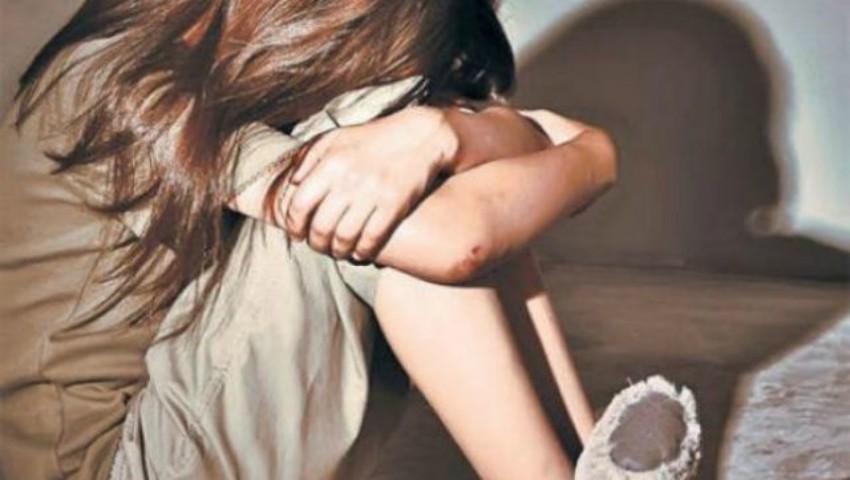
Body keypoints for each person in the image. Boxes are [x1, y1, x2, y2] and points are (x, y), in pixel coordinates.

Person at [0, 1, 617, 479]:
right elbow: (455, 239)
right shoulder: (119, 79)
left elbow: (484, 188)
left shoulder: (212, 67)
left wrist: (447, 132)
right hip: (110, 466)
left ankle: (593, 461)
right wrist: (591, 157)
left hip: (162, 435)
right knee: (369, 176)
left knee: (386, 165)